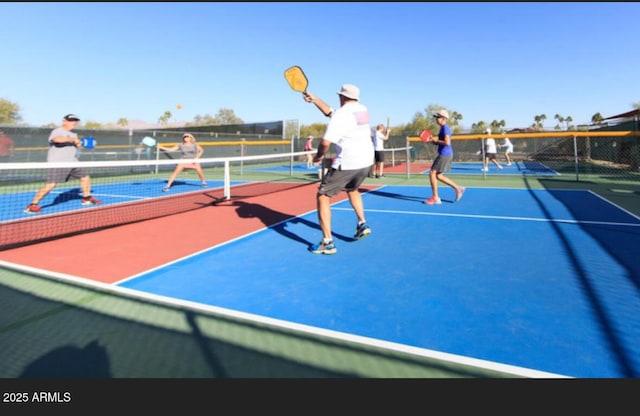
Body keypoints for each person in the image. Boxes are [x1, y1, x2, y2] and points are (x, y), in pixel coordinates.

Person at [302, 84, 373, 255]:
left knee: (323, 196)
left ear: (342, 97)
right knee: (352, 189)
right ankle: (362, 223)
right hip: (366, 161)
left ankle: (327, 242)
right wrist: (315, 100)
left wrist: (319, 156)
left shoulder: (341, 114)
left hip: (348, 162)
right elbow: (331, 113)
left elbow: (326, 142)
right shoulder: (362, 110)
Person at [24, 114, 102, 214]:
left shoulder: (74, 133)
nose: (73, 122)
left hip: (72, 162)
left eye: (75, 121)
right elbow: (56, 140)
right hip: (58, 163)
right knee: (51, 185)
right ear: (64, 121)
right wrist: (72, 140)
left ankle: (86, 198)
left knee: (85, 177)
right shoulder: (57, 131)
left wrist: (84, 143)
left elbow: (77, 146)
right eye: (71, 120)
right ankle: (33, 205)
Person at [424, 109, 465, 205]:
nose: (436, 119)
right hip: (445, 153)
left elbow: (447, 142)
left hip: (444, 154)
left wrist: (436, 140)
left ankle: (435, 197)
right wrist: (433, 141)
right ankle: (458, 188)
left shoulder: (445, 128)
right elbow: (442, 142)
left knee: (432, 173)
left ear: (443, 118)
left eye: (438, 117)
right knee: (438, 175)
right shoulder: (442, 128)